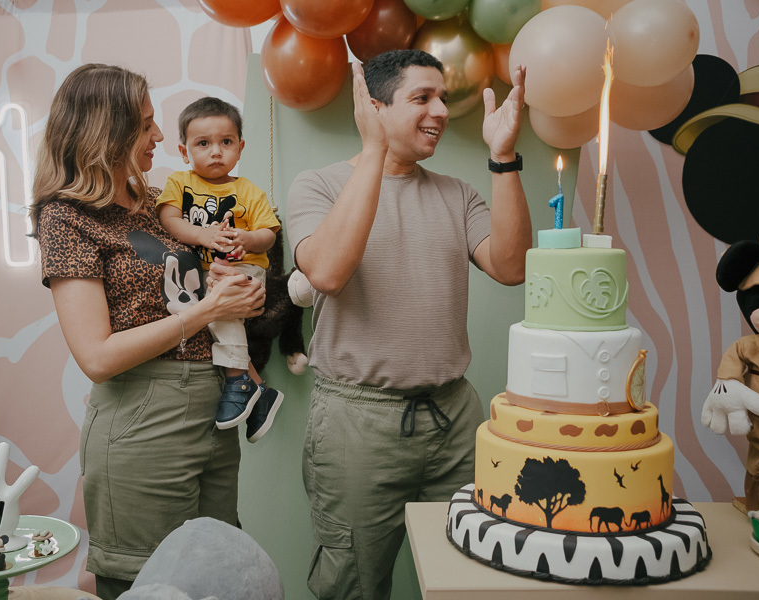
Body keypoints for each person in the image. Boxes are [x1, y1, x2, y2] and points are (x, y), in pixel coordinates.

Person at [286, 49, 531, 600]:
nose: (441, 110)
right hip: (357, 423)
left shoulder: (456, 193)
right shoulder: (318, 187)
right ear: (373, 108)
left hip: (455, 418)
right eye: (422, 98)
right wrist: (374, 151)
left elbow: (512, 267)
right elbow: (325, 271)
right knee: (352, 582)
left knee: (469, 575)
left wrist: (504, 155)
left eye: (442, 97)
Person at [31, 63, 265, 600]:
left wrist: (237, 294)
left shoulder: (159, 205)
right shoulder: (65, 217)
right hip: (142, 420)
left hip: (211, 408)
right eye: (145, 125)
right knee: (148, 586)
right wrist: (208, 310)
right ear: (104, 132)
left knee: (218, 577)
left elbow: (194, 292)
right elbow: (96, 356)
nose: (160, 135)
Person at [156, 97, 283, 441]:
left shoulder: (249, 191)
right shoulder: (180, 183)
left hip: (243, 268)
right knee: (210, 317)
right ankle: (259, 390)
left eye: (226, 142)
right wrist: (203, 235)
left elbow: (269, 234)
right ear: (184, 152)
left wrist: (247, 238)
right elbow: (168, 219)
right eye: (203, 143)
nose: (216, 152)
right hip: (206, 275)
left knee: (218, 308)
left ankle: (237, 380)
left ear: (240, 147)